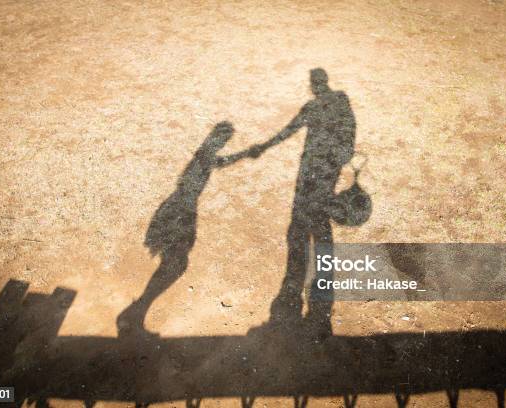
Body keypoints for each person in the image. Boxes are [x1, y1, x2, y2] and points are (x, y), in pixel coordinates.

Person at [117, 121, 252, 335]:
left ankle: (138, 310)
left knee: (176, 262)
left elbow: (217, 163)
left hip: (181, 208)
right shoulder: (204, 156)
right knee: (177, 263)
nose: (224, 142)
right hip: (181, 209)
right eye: (224, 138)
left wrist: (243, 154)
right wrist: (246, 154)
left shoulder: (204, 154)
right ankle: (136, 310)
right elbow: (215, 164)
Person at [249, 68, 356, 336]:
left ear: (315, 85)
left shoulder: (319, 105)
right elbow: (348, 126)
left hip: (313, 170)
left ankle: (315, 278)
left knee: (304, 225)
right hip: (324, 170)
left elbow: (289, 130)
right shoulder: (339, 102)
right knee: (316, 222)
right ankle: (322, 289)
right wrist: (345, 153)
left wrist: (264, 146)